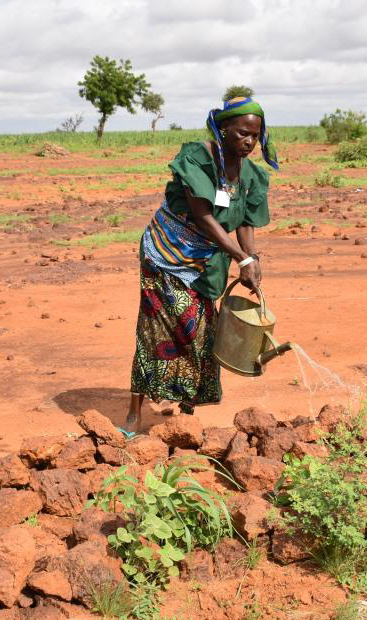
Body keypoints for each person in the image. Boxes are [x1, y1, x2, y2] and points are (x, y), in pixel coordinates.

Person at [123, 96, 278, 436]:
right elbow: (204, 216)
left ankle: (186, 409)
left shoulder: (251, 175)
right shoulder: (197, 159)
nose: (250, 142)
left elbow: (246, 223)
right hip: (165, 255)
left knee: (201, 331)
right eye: (242, 134)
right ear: (223, 130)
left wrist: (250, 258)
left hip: (207, 260)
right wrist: (241, 257)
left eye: (256, 135)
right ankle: (135, 411)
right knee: (155, 330)